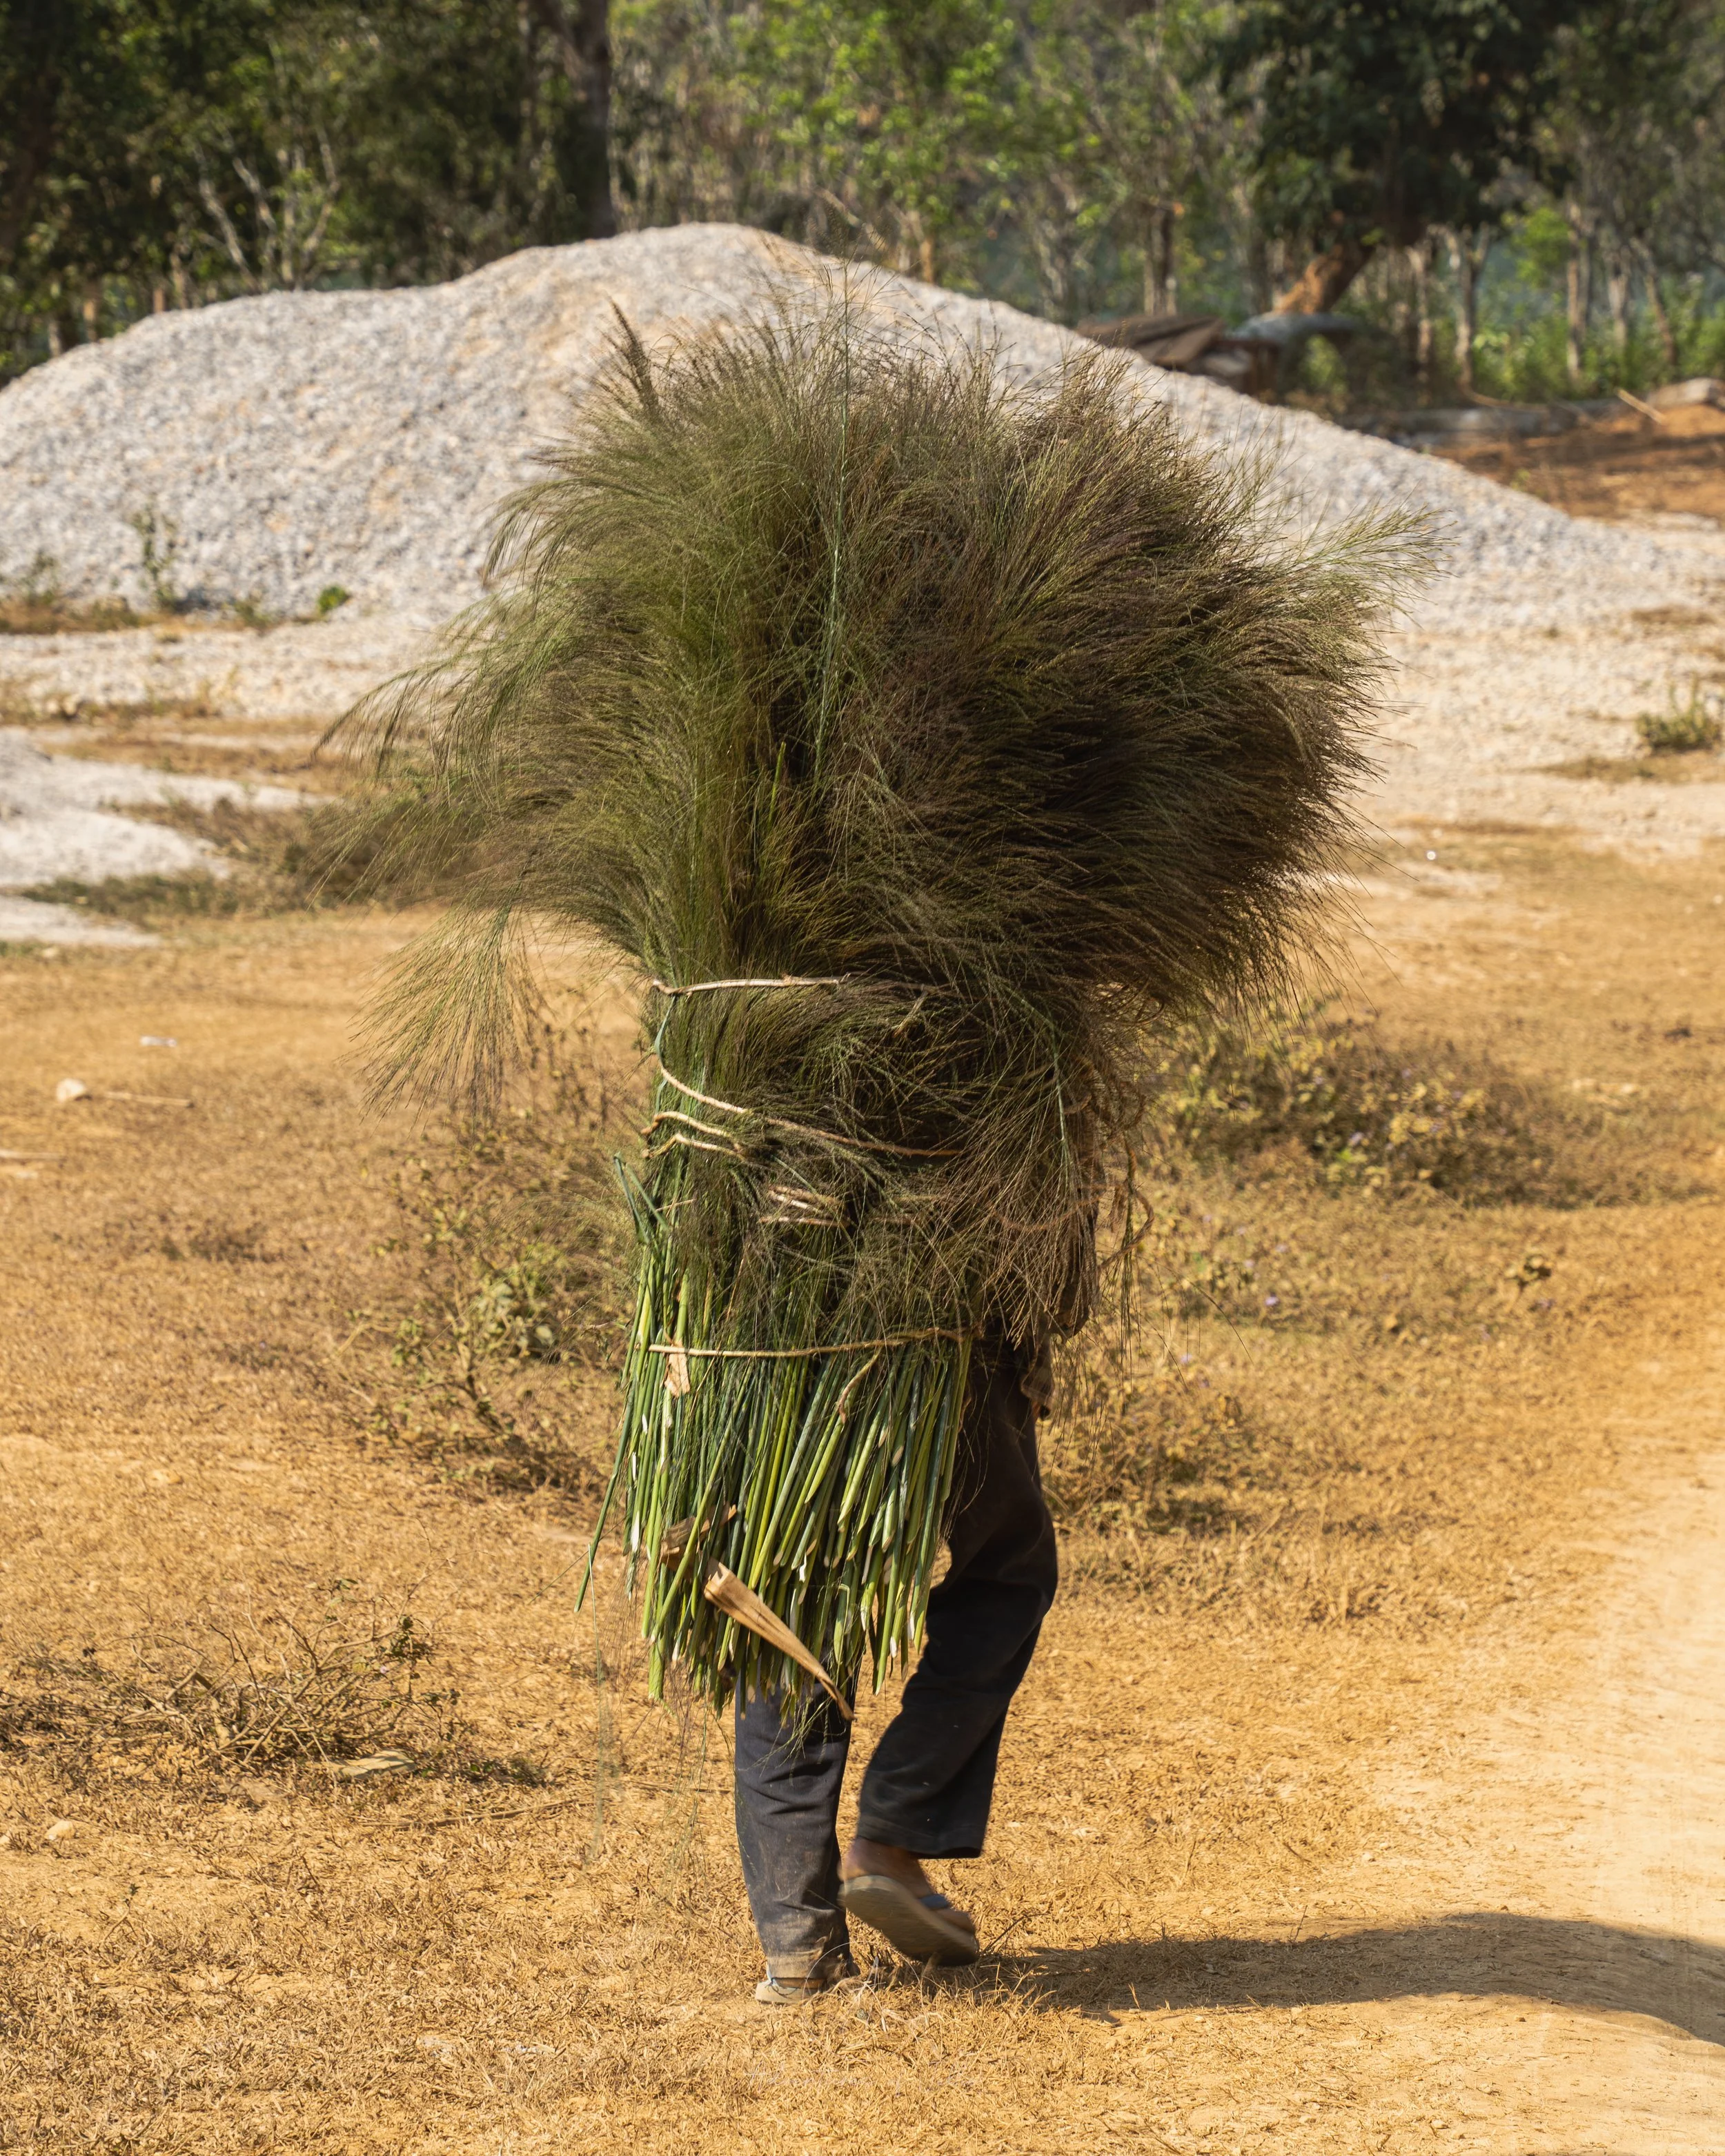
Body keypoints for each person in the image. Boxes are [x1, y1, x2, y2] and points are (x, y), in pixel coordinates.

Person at [733, 1337, 1059, 2002]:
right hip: (950, 1321)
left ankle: (800, 1943)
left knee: (787, 1578)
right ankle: (895, 1828)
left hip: (757, 1339)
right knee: (1006, 1572)